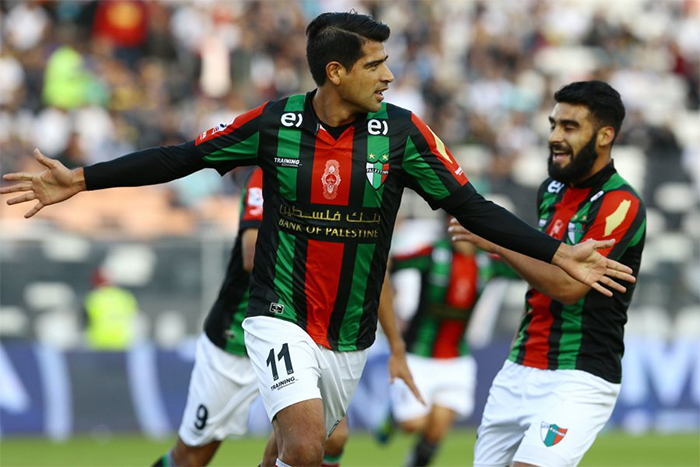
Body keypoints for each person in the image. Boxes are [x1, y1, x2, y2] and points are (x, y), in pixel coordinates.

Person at [0, 12, 635, 467]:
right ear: (336, 72)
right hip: (277, 314)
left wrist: (558, 253)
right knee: (306, 448)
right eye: (375, 64)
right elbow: (181, 156)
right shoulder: (276, 124)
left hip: (348, 336)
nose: (389, 75)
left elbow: (470, 206)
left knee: (301, 448)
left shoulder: (404, 135)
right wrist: (80, 180)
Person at [152, 167, 420, 467]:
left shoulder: (346, 183)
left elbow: (372, 269)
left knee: (322, 441)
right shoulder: (271, 172)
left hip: (303, 333)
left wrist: (396, 345)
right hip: (238, 337)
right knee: (190, 458)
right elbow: (251, 255)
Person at [449, 80, 646, 467]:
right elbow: (541, 278)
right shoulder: (550, 190)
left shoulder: (620, 203)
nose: (555, 136)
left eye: (570, 127)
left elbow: (570, 286)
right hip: (519, 366)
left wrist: (498, 241)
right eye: (554, 124)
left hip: (578, 373)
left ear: (605, 136)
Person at [374, 214, 514, 466]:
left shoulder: (488, 262)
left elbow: (528, 272)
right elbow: (386, 265)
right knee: (413, 424)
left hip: (457, 358)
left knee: (437, 430)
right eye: (454, 221)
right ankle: (394, 416)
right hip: (418, 354)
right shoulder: (432, 253)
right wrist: (391, 298)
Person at [83, 268, 140, 350]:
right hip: (122, 341)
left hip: (98, 342)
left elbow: (85, 321)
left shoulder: (93, 298)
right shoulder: (125, 296)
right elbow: (133, 315)